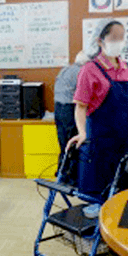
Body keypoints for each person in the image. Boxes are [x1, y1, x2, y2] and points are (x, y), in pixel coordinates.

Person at [67, 19, 128, 201]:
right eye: (114, 37)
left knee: (119, 190)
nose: (119, 41)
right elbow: (81, 106)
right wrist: (81, 132)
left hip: (122, 137)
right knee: (97, 194)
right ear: (100, 41)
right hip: (98, 139)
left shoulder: (127, 68)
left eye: (122, 37)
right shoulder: (90, 69)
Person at [54, 50, 90, 184]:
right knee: (74, 143)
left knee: (64, 143)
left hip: (58, 109)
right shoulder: (81, 72)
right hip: (70, 110)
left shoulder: (65, 69)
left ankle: (61, 174)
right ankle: (71, 178)